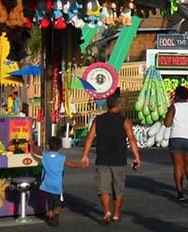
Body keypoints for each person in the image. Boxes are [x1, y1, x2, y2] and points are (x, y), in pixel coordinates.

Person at [81, 92, 142, 224]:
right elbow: (132, 139)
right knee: (118, 188)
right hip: (119, 160)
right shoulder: (125, 121)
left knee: (103, 187)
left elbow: (90, 137)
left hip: (102, 159)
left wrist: (85, 155)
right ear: (119, 105)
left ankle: (106, 210)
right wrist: (137, 157)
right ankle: (116, 214)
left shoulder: (98, 120)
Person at [34, 136, 86, 226]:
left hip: (46, 185)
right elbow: (72, 165)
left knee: (50, 202)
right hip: (57, 186)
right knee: (60, 204)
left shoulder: (45, 155)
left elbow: (36, 150)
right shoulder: (62, 157)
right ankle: (55, 214)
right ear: (59, 147)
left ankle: (50, 215)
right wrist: (81, 164)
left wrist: (32, 144)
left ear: (48, 146)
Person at [163, 84, 188, 202]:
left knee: (178, 165)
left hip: (176, 138)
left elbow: (167, 123)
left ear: (176, 96)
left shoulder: (174, 107)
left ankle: (180, 192)